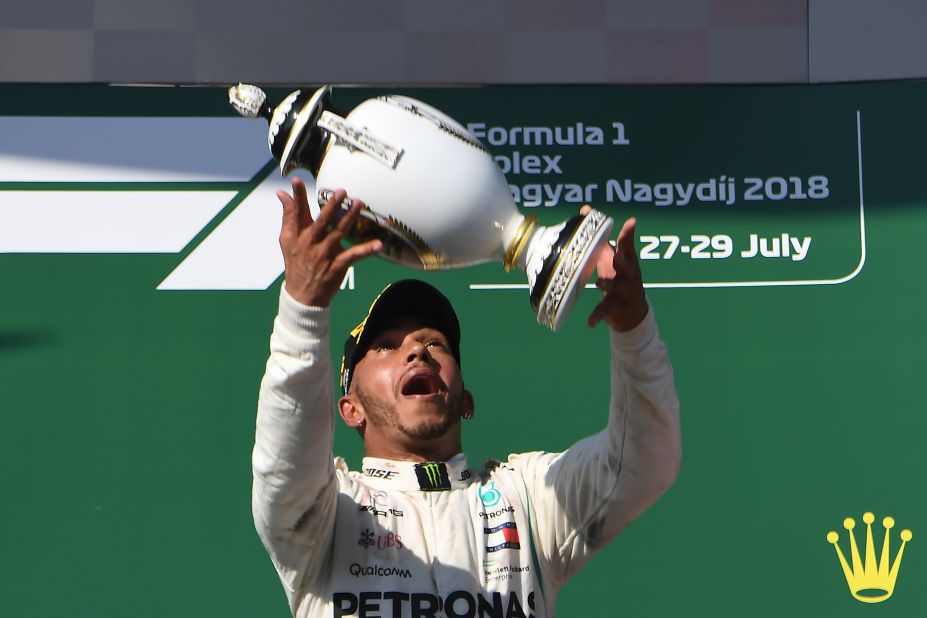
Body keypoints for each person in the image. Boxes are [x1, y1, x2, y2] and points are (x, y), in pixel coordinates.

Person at [253, 178, 681, 618]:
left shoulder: (527, 498)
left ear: (465, 401)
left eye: (435, 343)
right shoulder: (328, 512)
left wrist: (634, 327)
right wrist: (303, 309)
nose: (416, 350)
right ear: (351, 408)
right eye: (385, 346)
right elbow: (284, 461)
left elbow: (644, 462)